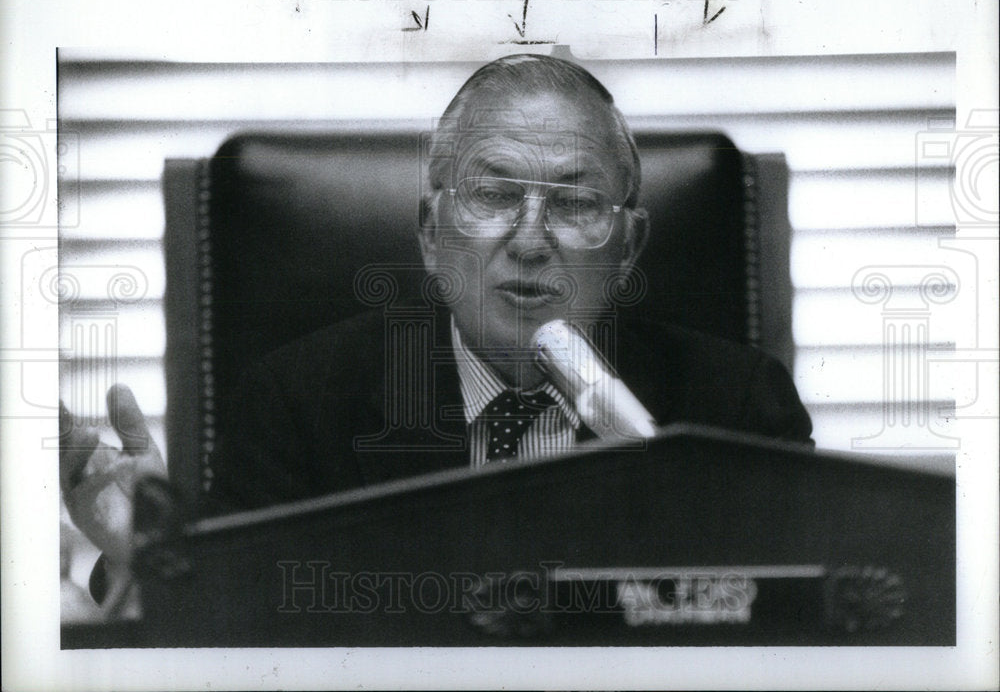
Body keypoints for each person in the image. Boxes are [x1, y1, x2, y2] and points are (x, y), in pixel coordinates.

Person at [60, 54, 812, 609]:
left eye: (576, 204)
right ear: (430, 231)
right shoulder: (298, 406)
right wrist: (143, 559)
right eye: (492, 194)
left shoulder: (737, 408)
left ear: (629, 247)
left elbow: (806, 639)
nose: (528, 239)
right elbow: (235, 629)